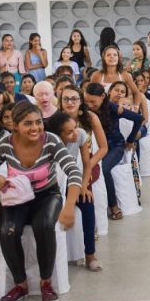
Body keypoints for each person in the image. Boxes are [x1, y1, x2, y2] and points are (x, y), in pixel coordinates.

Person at [0, 102, 81, 301]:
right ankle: (20, 285)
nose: (35, 128)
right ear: (15, 125)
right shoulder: (5, 143)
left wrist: (69, 206)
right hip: (17, 198)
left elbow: (73, 171)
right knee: (7, 231)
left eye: (38, 123)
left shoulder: (50, 141)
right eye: (28, 124)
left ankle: (46, 282)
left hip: (47, 195)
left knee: (43, 226)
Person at [46, 108, 104, 272]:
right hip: (51, 183)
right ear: (58, 134)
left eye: (75, 128)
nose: (75, 134)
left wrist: (84, 186)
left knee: (87, 202)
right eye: (69, 132)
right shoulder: (49, 142)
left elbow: (87, 164)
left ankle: (90, 255)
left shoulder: (80, 136)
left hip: (72, 181)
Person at [83, 83, 143, 221]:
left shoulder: (113, 108)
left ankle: (113, 205)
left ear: (103, 97)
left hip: (114, 146)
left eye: (93, 101)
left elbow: (138, 118)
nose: (89, 105)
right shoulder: (84, 109)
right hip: (93, 146)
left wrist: (130, 140)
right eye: (86, 101)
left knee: (104, 169)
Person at [89, 45, 149, 126]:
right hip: (103, 112)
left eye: (114, 55)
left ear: (118, 58)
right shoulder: (97, 75)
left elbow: (137, 93)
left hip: (122, 112)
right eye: (108, 55)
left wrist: (136, 108)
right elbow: (90, 95)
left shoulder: (124, 75)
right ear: (104, 58)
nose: (112, 57)